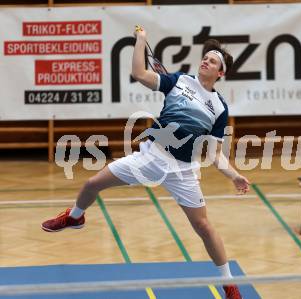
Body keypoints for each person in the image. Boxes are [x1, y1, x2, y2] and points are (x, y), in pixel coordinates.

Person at [42, 25, 249, 299]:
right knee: (92, 184)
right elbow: (139, 73)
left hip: (182, 170)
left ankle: (228, 283)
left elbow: (214, 154)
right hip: (149, 157)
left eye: (212, 60)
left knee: (203, 226)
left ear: (220, 73)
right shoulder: (179, 81)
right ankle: (75, 217)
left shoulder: (219, 108)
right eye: (205, 56)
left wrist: (233, 175)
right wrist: (140, 41)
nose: (205, 61)